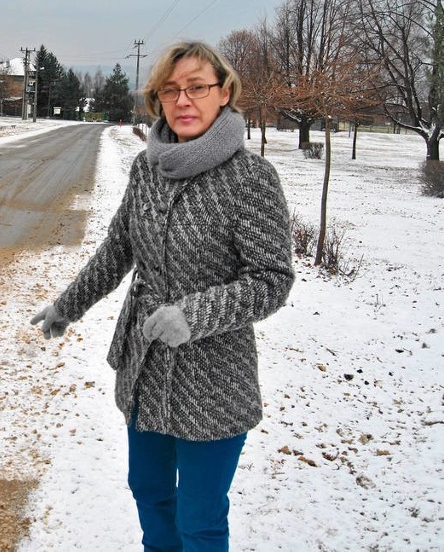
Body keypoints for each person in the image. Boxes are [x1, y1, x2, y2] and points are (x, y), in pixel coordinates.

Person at [30, 41, 295, 551]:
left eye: (197, 86)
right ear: (158, 100)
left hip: (213, 379)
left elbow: (271, 280)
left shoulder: (251, 178)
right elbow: (118, 248)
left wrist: (194, 314)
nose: (184, 99)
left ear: (224, 93)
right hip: (147, 366)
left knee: (200, 518)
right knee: (149, 491)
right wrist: (70, 303)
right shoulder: (145, 170)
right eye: (170, 90)